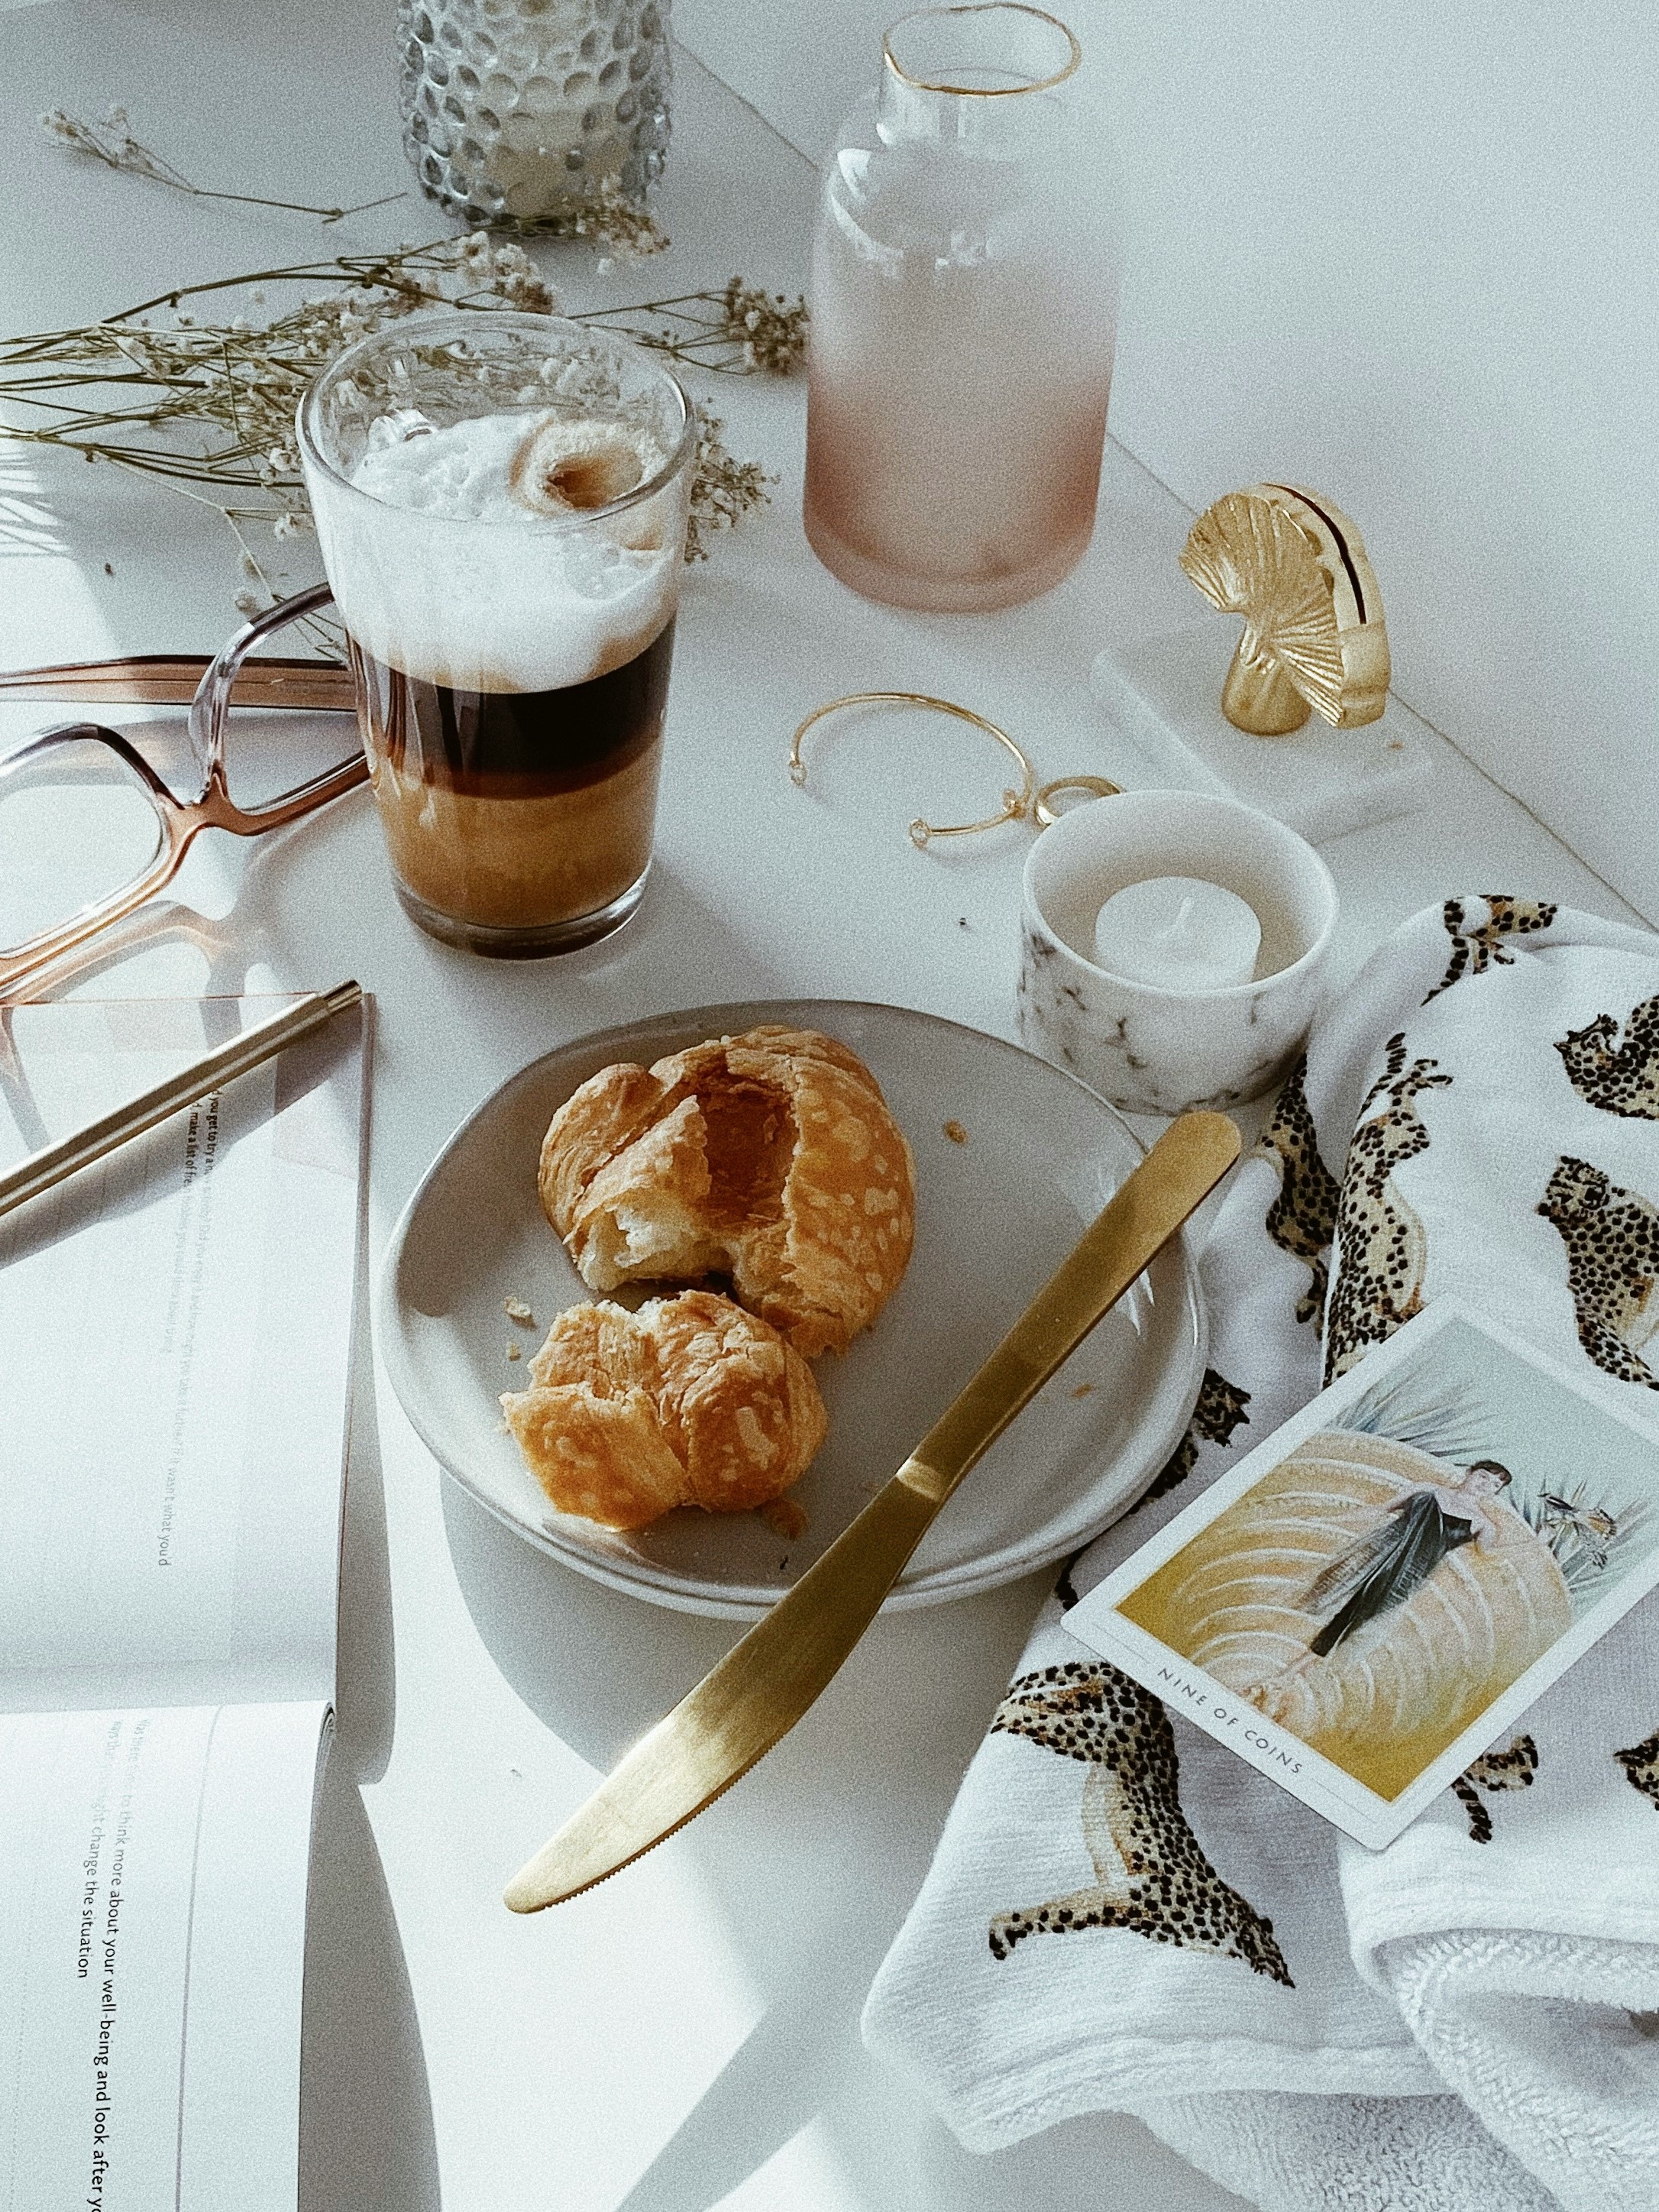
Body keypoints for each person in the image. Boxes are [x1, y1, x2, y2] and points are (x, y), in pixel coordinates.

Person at [1300, 1457, 1515, 1658]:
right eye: (1483, 1476)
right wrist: (1322, 1519)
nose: (1486, 1485)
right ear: (1468, 1473)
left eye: (1495, 1485)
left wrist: (1540, 1542)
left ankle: (1290, 1676)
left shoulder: (1483, 1524)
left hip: (1406, 1576)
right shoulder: (1426, 1490)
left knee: (1352, 1622)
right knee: (1320, 1598)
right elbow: (1379, 1511)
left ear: (1496, 1493)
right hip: (1373, 1556)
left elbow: (1488, 1555)